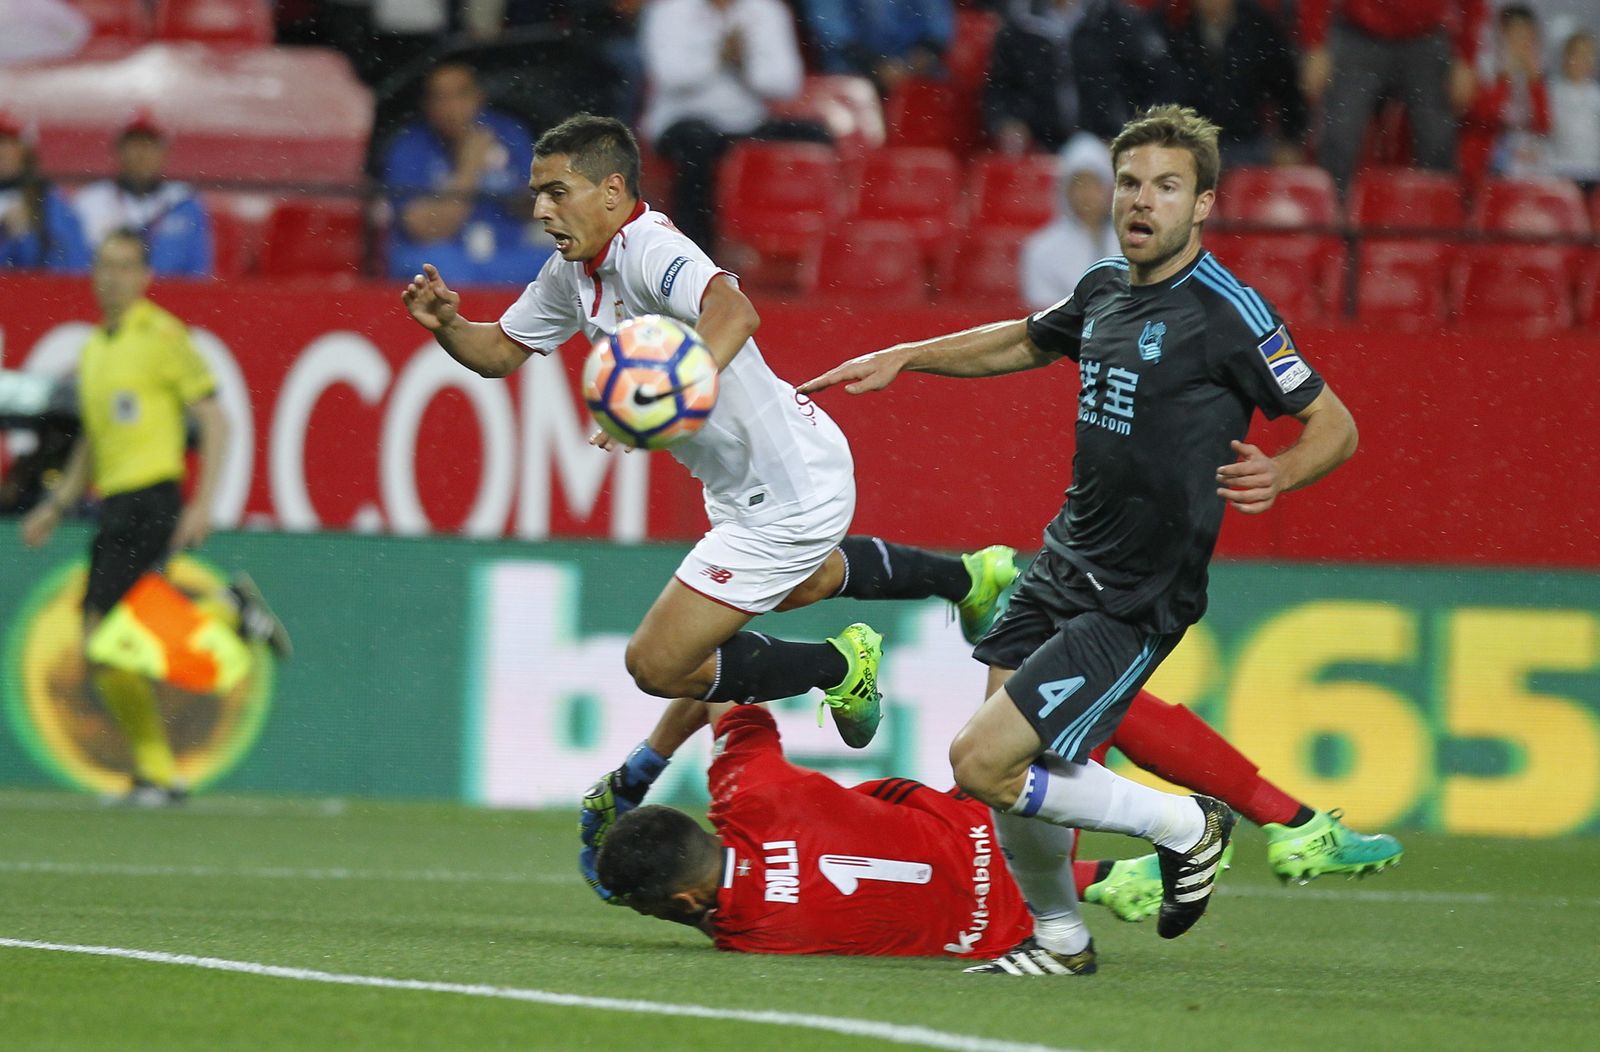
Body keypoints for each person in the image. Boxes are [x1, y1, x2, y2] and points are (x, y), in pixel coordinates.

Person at [801, 105, 1360, 976]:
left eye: (1166, 188)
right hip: (1060, 562)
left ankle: (1188, 826)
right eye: (1131, 183)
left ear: (1203, 204)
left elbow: (1334, 425)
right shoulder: (1103, 287)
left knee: (980, 763)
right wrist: (910, 354)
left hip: (1136, 595)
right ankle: (1060, 940)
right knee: (1012, 781)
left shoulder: (1229, 312)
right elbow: (1021, 342)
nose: (1142, 202)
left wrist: (1284, 472)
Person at [401, 113, 1018, 755]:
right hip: (758, 474)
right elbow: (502, 350)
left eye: (557, 191)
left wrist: (663, 390)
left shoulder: (650, 250)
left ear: (612, 191)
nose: (541, 210)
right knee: (798, 585)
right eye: (536, 194)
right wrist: (446, 324)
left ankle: (841, 668)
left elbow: (734, 311)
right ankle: (967, 579)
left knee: (657, 665)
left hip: (785, 487)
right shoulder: (572, 274)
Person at [589, 694, 1402, 957]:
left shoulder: (750, 934)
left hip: (1006, 927)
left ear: (686, 905)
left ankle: (1104, 883)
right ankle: (1291, 825)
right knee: (1088, 691)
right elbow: (721, 675)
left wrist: (630, 885)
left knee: (920, 864)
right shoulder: (749, 791)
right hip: (995, 822)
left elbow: (715, 897)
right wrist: (637, 775)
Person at [20, 230, 291, 805]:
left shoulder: (161, 334)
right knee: (111, 648)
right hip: (114, 504)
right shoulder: (95, 351)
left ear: (144, 277)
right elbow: (92, 441)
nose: (111, 278)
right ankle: (158, 773)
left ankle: (222, 618)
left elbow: (216, 420)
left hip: (151, 497)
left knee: (105, 639)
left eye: (124, 267)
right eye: (103, 266)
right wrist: (55, 506)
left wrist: (202, 503)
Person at [637, 0, 829, 250]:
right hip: (682, 123)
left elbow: (786, 83)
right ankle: (694, 253)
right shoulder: (669, 10)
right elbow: (669, 74)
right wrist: (718, 56)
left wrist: (743, 63)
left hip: (746, 126)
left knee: (815, 134)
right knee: (696, 147)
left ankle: (799, 246)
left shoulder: (767, 10)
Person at [382, 61, 550, 285]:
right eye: (441, 98)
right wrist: (470, 165)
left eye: (461, 94)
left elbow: (541, 205)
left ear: (478, 97)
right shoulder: (409, 146)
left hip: (509, 251)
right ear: (427, 105)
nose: (451, 107)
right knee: (441, 268)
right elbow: (424, 229)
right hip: (444, 254)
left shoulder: (508, 131)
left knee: (563, 262)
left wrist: (523, 197)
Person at [1299, 0, 1485, 194]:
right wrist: (1315, 45)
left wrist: (1466, 57)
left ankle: (1438, 216)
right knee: (1338, 136)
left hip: (1426, 35)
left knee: (1437, 140)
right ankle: (1332, 218)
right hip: (1357, 32)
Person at [983, 0, 1176, 154]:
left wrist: (1132, 135)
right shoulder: (1019, 26)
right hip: (1042, 152)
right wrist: (1007, 122)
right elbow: (999, 88)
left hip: (1110, 148)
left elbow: (1159, 84)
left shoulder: (1119, 20)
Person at [1166, 0, 1308, 167]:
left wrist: (1291, 141)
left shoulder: (1257, 26)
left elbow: (1287, 88)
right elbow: (1161, 92)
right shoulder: (1174, 28)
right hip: (1191, 145)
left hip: (1248, 144)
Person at [72, 114, 214, 278]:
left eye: (150, 145)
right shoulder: (90, 201)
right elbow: (77, 272)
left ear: (165, 153)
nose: (142, 154)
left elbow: (199, 274)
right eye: (134, 145)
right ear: (118, 150)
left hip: (170, 300)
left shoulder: (185, 203)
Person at [1019, 132, 1118, 311]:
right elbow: (1044, 319)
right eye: (1079, 184)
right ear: (1064, 190)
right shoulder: (1040, 249)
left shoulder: (1133, 241)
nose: (1087, 194)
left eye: (1094, 183)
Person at [1459, 3, 1549, 188]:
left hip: (1525, 160)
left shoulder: (1536, 73)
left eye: (1528, 34)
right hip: (1483, 158)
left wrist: (1534, 83)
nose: (1522, 41)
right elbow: (1481, 116)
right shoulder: (1483, 65)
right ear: (1501, 34)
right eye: (1516, 33)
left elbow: (1543, 124)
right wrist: (1504, 79)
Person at [798, 0, 953, 94]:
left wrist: (909, 66)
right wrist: (878, 66)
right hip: (852, 74)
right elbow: (834, 35)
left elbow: (938, 32)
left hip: (915, 74)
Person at [0, 111, 91, 273]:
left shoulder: (48, 200)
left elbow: (72, 265)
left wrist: (25, 237)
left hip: (31, 295)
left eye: (9, 143)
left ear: (25, 150)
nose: (3, 151)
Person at [1548, 29, 1600, 190]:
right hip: (1560, 171)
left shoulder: (1596, 95)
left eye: (1587, 55)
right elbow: (1543, 132)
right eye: (1577, 54)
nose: (1582, 61)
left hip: (1593, 172)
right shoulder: (1552, 93)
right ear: (1566, 57)